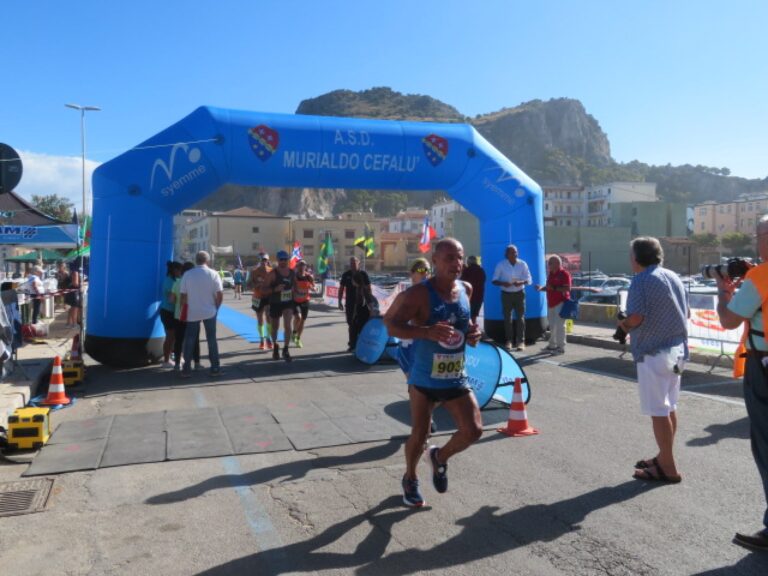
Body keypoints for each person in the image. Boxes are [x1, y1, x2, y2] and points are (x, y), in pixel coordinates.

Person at [384, 238, 483, 508]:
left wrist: (473, 334)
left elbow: (467, 325)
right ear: (435, 262)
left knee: (473, 430)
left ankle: (439, 457)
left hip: (455, 377)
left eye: (460, 257)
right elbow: (390, 324)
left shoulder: (466, 289)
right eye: (449, 258)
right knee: (420, 433)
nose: (457, 263)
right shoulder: (417, 294)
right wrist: (424, 332)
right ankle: (410, 477)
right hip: (424, 378)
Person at [714, 214, 768, 551]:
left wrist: (724, 291)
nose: (754, 240)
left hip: (763, 366)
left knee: (765, 443)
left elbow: (730, 320)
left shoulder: (761, 277)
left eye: (757, 233)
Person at [617, 237, 687, 485]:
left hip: (654, 352)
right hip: (677, 350)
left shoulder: (641, 280)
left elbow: (636, 317)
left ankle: (667, 467)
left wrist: (623, 325)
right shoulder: (673, 276)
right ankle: (663, 456)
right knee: (669, 407)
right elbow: (685, 312)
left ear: (636, 258)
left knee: (658, 410)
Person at [179, 251, 223, 378]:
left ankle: (186, 369)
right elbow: (220, 294)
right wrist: (216, 308)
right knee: (211, 339)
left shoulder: (187, 274)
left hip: (192, 311)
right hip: (210, 311)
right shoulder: (213, 274)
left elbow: (183, 295)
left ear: (195, 260)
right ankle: (215, 368)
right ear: (207, 261)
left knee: (190, 339)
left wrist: (183, 308)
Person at [491, 245, 531, 351]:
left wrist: (521, 282)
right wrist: (503, 283)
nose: (514, 254)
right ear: (507, 254)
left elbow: (529, 280)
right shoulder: (501, 265)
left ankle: (521, 342)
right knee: (507, 318)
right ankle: (509, 341)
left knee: (520, 318)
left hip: (519, 293)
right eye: (512, 252)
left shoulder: (523, 264)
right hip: (506, 294)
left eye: (516, 252)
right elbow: (494, 280)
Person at [535, 255, 572, 354]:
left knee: (560, 325)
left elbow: (567, 288)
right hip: (551, 303)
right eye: (548, 263)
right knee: (552, 326)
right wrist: (541, 288)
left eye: (550, 263)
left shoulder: (564, 274)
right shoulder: (551, 274)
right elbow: (549, 287)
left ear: (557, 264)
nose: (548, 265)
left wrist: (554, 289)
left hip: (561, 302)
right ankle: (552, 345)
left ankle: (561, 347)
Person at [265, 250, 295, 362]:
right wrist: (275, 289)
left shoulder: (292, 272)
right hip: (275, 302)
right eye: (281, 259)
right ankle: (275, 345)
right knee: (275, 327)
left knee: (288, 325)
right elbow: (264, 289)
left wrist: (294, 291)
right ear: (277, 260)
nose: (283, 261)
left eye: (285, 259)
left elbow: (295, 285)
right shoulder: (272, 274)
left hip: (288, 302)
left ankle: (286, 349)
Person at [172, 261, 201, 372]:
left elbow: (172, 300)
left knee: (179, 340)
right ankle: (197, 363)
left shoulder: (177, 282)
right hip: (194, 315)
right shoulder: (196, 283)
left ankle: (177, 364)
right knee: (195, 340)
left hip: (179, 315)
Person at [338, 257, 370, 351]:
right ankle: (352, 344)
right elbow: (341, 288)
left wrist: (369, 301)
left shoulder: (363, 274)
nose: (352, 265)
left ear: (358, 263)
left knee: (362, 324)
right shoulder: (346, 274)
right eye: (351, 263)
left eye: (354, 263)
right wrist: (339, 301)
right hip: (350, 304)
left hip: (362, 304)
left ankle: (360, 344)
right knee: (351, 324)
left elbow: (369, 288)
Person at [160, 261, 182, 369]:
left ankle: (173, 357)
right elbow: (171, 299)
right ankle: (166, 360)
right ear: (175, 270)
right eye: (180, 271)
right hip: (168, 312)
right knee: (170, 337)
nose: (181, 273)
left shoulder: (174, 280)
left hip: (172, 312)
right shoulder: (169, 281)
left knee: (174, 337)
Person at [349, 270, 375, 350]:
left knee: (361, 331)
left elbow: (369, 302)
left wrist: (371, 314)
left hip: (363, 314)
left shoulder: (363, 289)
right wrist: (354, 315)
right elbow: (357, 304)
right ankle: (355, 346)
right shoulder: (358, 289)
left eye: (352, 280)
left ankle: (363, 347)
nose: (351, 281)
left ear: (355, 280)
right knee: (354, 330)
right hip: (359, 314)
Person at [292, 260, 314, 349]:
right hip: (295, 300)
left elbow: (313, 285)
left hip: (305, 301)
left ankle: (298, 338)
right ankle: (294, 332)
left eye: (303, 265)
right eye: (300, 265)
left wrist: (313, 288)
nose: (302, 267)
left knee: (302, 321)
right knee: (298, 317)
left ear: (305, 266)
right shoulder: (294, 276)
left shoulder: (309, 277)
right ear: (297, 266)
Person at [460, 255, 486, 324]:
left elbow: (461, 282)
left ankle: (469, 331)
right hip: (479, 297)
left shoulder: (467, 271)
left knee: (468, 316)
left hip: (469, 297)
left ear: (468, 262)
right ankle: (474, 329)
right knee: (474, 316)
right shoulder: (481, 270)